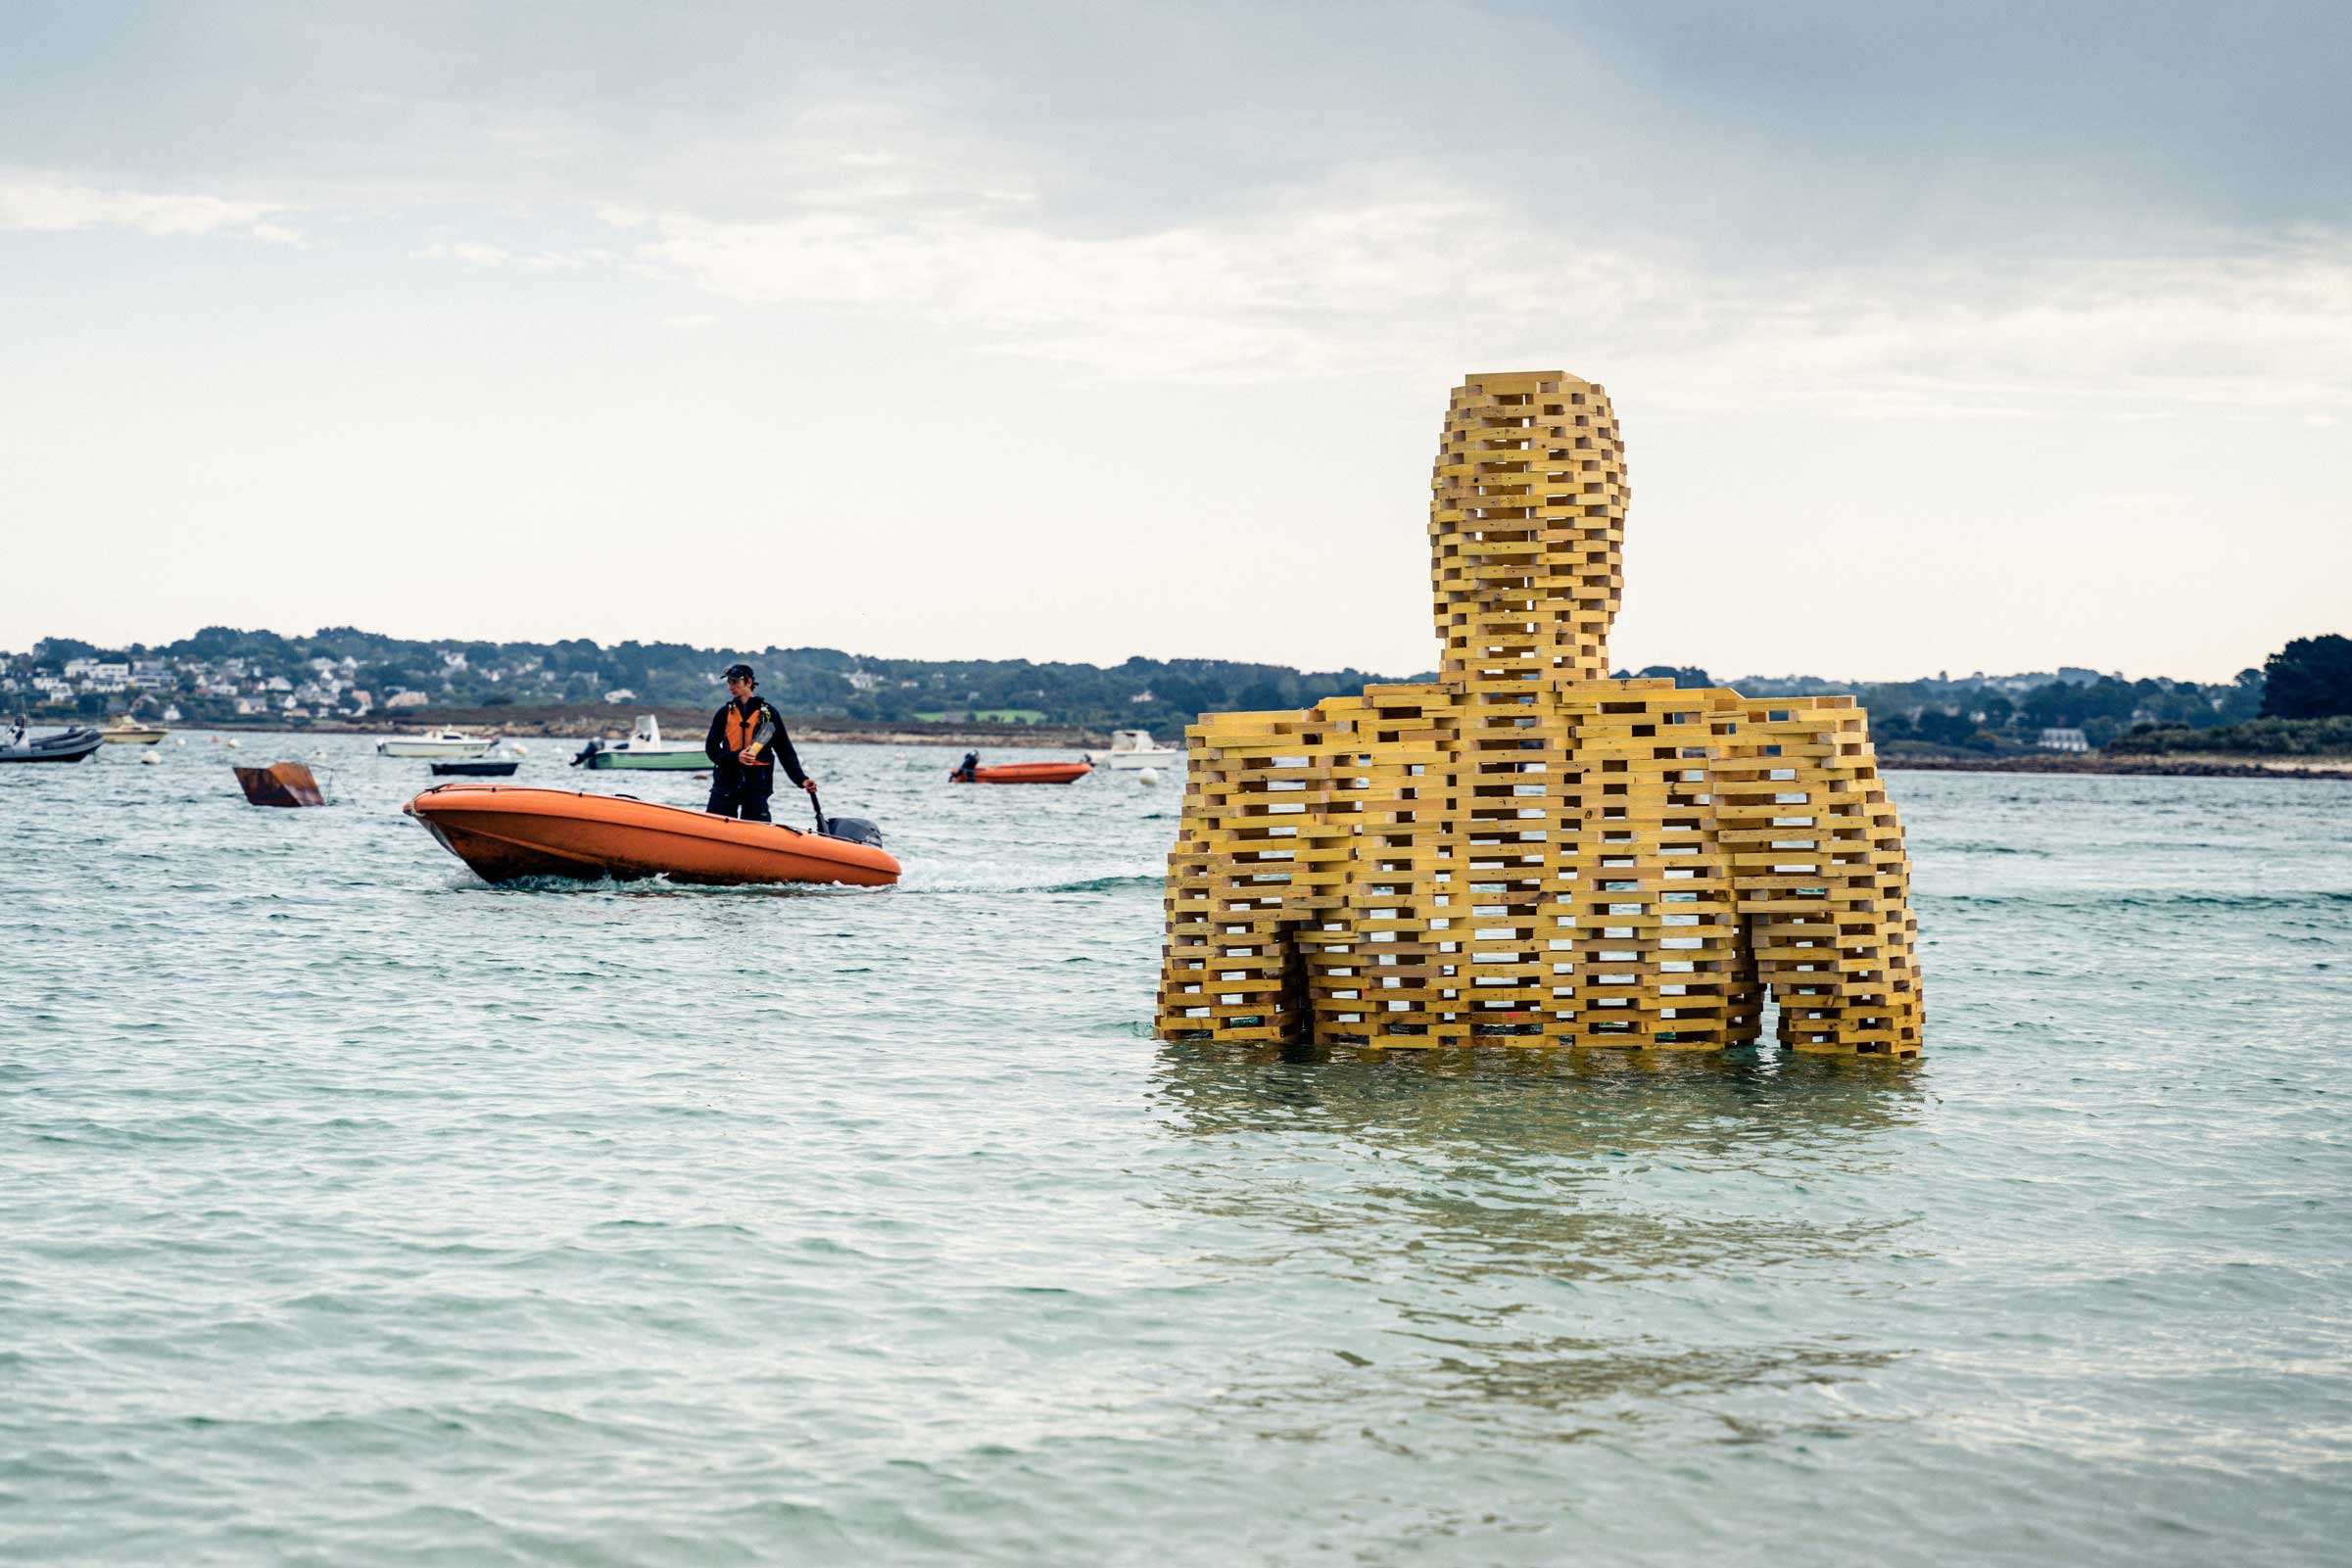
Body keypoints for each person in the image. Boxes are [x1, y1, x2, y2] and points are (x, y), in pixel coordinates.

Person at [703, 664, 815, 822]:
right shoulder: (724, 713)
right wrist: (736, 757)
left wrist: (802, 779)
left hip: (757, 784)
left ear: (748, 682)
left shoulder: (769, 714)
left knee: (756, 828)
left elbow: (785, 750)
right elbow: (711, 749)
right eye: (729, 683)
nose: (731, 687)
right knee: (713, 825)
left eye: (735, 682)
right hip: (726, 782)